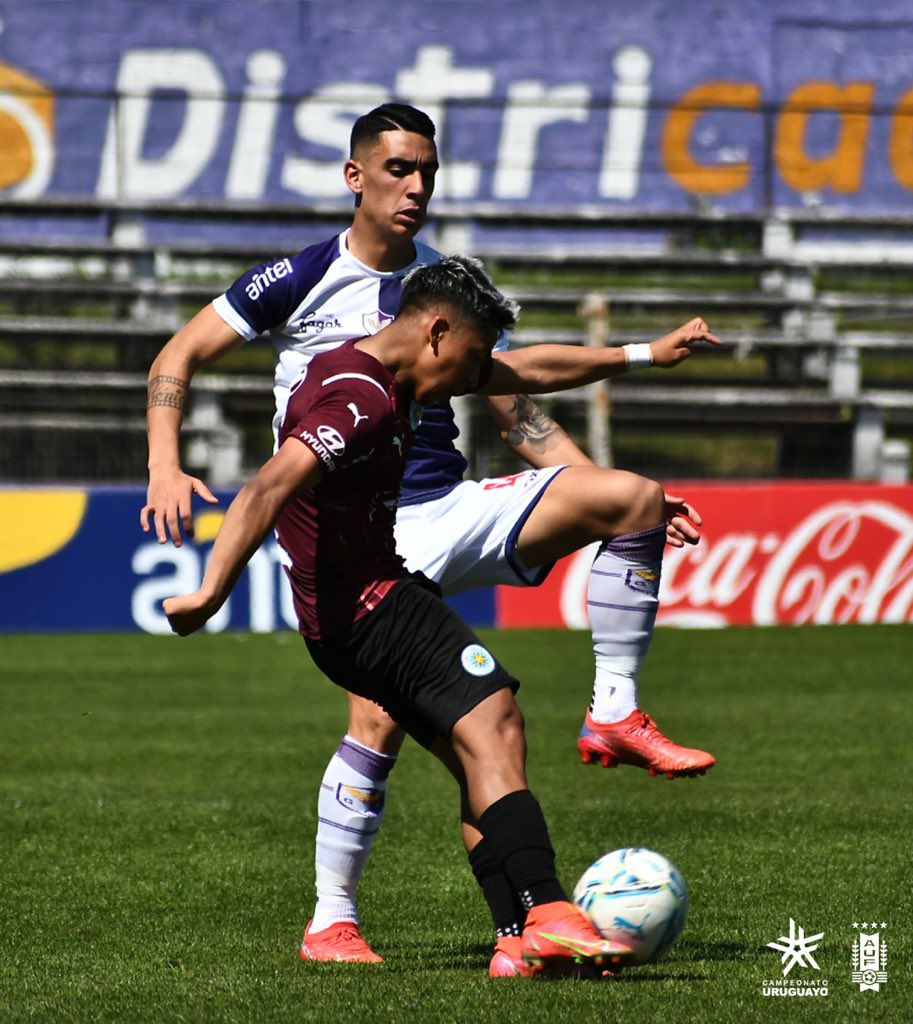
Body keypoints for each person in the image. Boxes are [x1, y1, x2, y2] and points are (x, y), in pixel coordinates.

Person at [141, 102, 719, 973]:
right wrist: (163, 465)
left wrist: (594, 484)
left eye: (427, 172)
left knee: (502, 699)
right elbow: (178, 360)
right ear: (355, 176)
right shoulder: (302, 285)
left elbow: (514, 397)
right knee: (410, 726)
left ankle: (602, 736)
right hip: (360, 543)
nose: (415, 187)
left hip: (440, 507)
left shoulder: (445, 290)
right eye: (399, 169)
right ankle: (337, 919)